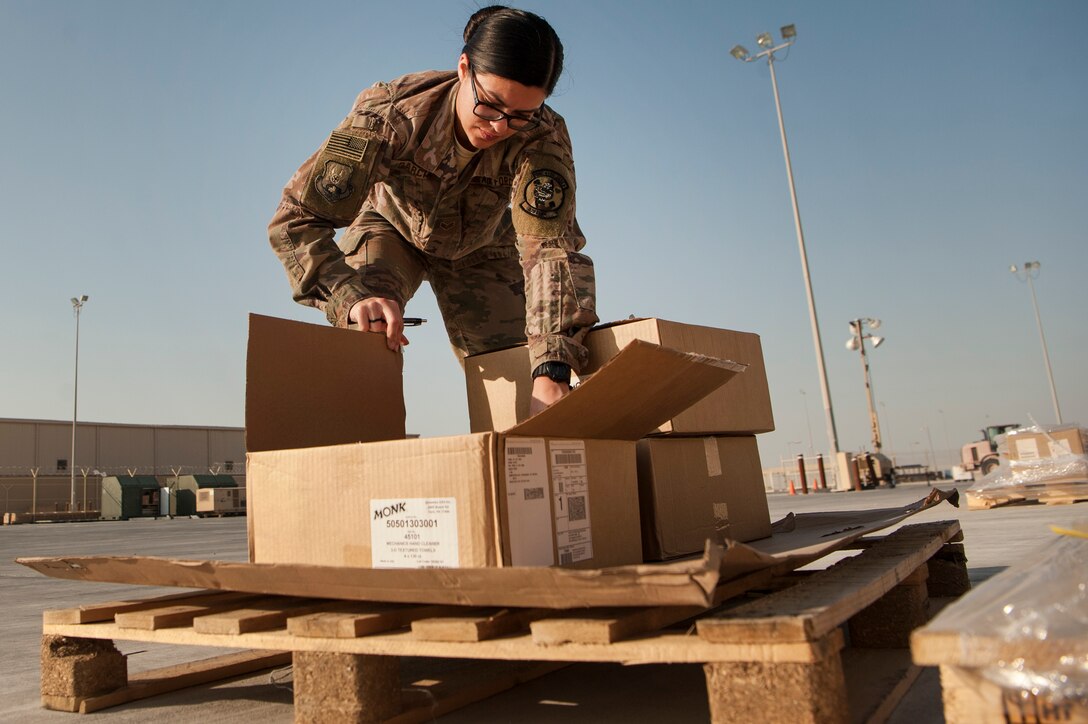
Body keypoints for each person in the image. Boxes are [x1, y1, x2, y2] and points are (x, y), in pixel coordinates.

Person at [268, 5, 598, 415]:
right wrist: (348, 297)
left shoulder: (543, 136)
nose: (498, 127)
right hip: (392, 229)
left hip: (485, 245)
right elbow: (296, 220)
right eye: (490, 105)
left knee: (524, 385)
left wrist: (552, 368)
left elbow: (552, 250)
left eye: (519, 116)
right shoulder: (391, 114)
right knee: (365, 328)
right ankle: (366, 456)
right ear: (464, 69)